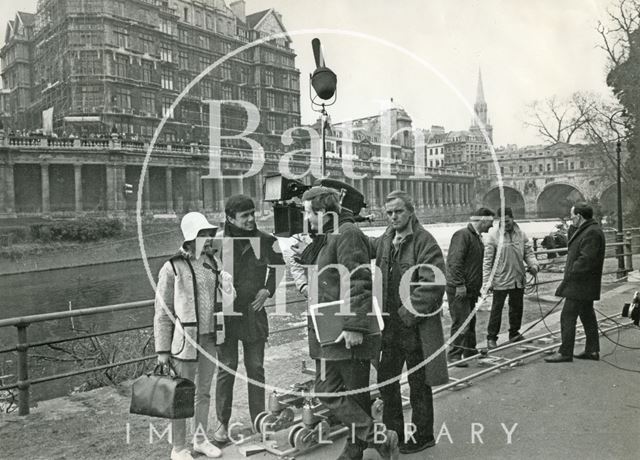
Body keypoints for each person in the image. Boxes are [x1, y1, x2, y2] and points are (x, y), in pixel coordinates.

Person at [295, 186, 399, 460]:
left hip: (346, 329)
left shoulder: (348, 233)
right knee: (329, 389)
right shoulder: (331, 235)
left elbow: (359, 280)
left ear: (323, 212)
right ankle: (376, 439)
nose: (308, 219)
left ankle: (358, 447)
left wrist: (355, 326)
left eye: (309, 213)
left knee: (352, 392)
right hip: (330, 330)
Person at [370, 191, 449, 454]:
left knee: (419, 383)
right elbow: (366, 248)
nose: (393, 216)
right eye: (389, 212)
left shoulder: (425, 241)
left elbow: (435, 281)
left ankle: (423, 435)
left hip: (413, 327)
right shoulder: (385, 239)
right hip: (388, 326)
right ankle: (394, 433)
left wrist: (407, 312)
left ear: (411, 212)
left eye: (398, 211)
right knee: (386, 381)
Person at [154, 212, 233, 460]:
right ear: (190, 238)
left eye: (210, 234)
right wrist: (162, 351)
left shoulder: (214, 262)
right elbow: (163, 312)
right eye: (204, 234)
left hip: (210, 338)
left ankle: (200, 439)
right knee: (181, 394)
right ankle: (178, 447)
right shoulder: (172, 267)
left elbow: (226, 300)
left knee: (204, 392)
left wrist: (228, 287)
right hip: (185, 342)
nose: (209, 239)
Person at [214, 195, 284, 442]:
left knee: (255, 368)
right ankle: (222, 424)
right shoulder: (216, 243)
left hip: (254, 315)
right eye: (244, 216)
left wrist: (268, 289)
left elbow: (278, 267)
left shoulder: (266, 241)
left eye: (253, 214)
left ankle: (258, 421)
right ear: (230, 218)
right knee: (227, 368)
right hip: (226, 316)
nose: (251, 219)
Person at [545, 203, 605, 363]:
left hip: (580, 283)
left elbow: (586, 259)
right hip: (585, 284)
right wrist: (572, 228)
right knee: (587, 315)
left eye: (572, 216)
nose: (570, 219)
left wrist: (571, 273)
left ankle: (565, 352)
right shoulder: (589, 229)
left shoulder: (591, 232)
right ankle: (592, 350)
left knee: (567, 316)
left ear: (579, 216)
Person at [483, 207, 539, 349]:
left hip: (517, 278)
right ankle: (491, 337)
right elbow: (487, 262)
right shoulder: (493, 236)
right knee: (497, 309)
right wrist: (487, 282)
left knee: (517, 308)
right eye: (502, 221)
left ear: (512, 219)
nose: (505, 224)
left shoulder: (521, 234)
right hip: (500, 279)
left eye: (507, 221)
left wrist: (534, 265)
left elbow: (528, 253)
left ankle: (514, 333)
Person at [445, 208, 495, 366]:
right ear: (483, 220)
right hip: (460, 290)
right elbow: (455, 262)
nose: (491, 227)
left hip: (470, 290)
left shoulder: (475, 237)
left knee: (470, 322)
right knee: (461, 323)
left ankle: (469, 351)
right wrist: (459, 285)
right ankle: (454, 355)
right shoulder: (463, 235)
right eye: (490, 223)